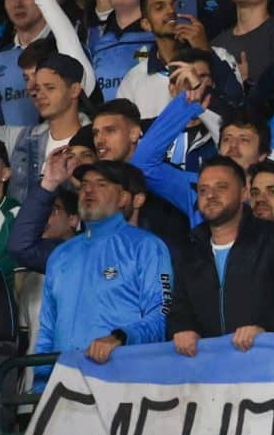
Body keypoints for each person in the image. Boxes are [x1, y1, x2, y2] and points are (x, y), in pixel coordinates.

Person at [13, 154, 172, 363]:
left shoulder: (147, 247)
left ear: (124, 198)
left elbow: (162, 312)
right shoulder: (61, 255)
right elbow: (47, 331)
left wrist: (120, 338)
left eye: (101, 184)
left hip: (123, 379)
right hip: (66, 383)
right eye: (84, 184)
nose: (88, 189)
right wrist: (42, 385)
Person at [168, 157, 274, 352]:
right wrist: (182, 328)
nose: (210, 195)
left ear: (243, 193)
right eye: (203, 190)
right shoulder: (190, 251)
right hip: (211, 373)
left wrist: (265, 330)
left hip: (269, 367)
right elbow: (178, 307)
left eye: (221, 187)